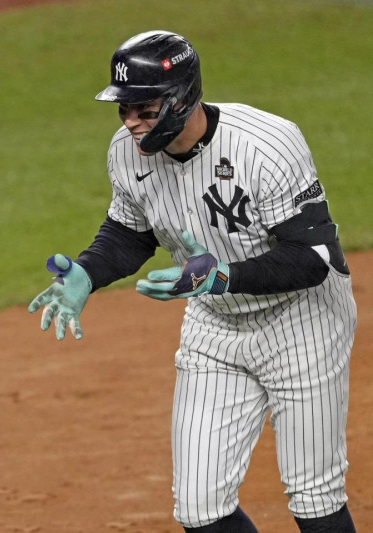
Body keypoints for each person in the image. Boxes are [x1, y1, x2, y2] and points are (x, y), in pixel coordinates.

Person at [28, 30, 357, 532]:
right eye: (123, 110)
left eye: (144, 108)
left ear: (182, 98)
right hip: (216, 328)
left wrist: (225, 275)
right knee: (200, 510)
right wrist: (88, 273)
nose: (131, 123)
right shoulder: (126, 151)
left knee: (314, 497)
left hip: (303, 321)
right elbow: (129, 232)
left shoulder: (265, 144)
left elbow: (313, 258)